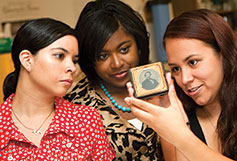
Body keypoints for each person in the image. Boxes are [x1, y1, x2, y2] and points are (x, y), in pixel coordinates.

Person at [125, 9, 237, 161]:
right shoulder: (180, 117)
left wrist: (180, 136)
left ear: (224, 54)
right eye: (176, 69)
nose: (184, 79)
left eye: (193, 62)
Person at [0, 18, 115, 160]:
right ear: (27, 60)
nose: (72, 68)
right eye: (59, 56)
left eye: (74, 60)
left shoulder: (86, 120)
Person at [64, 0, 165, 160]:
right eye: (103, 56)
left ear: (139, 45)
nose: (117, 64)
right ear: (90, 59)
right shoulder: (75, 106)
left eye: (124, 49)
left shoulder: (163, 82)